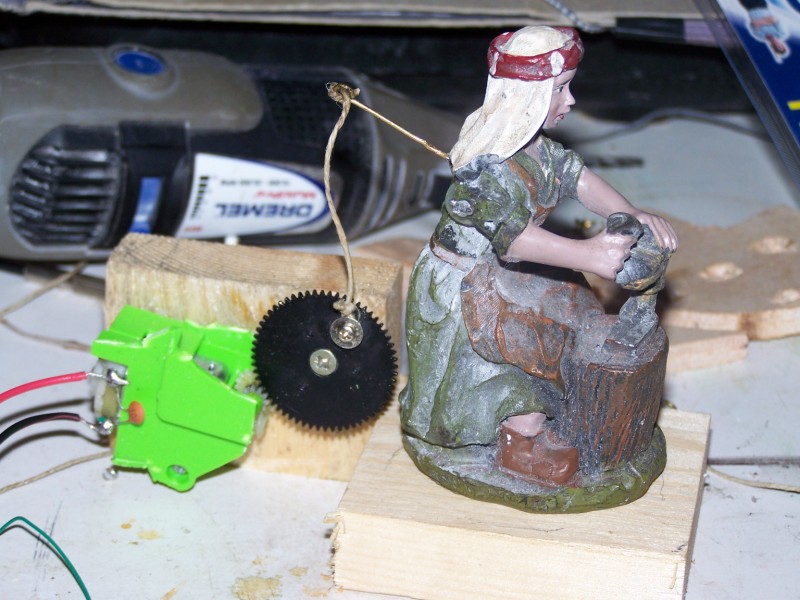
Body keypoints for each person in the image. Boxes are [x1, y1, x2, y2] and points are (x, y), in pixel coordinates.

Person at [399, 26, 678, 487]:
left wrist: (631, 213)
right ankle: (519, 438)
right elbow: (514, 240)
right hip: (468, 286)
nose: (571, 100)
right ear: (525, 98)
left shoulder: (540, 153)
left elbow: (580, 180)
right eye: (560, 89)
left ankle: (562, 407)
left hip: (511, 272)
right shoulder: (484, 172)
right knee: (518, 358)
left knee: (575, 319)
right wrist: (589, 254)